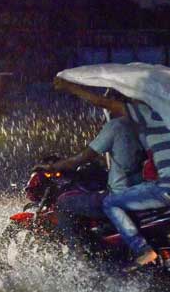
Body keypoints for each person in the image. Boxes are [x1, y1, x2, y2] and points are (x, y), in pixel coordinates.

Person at [53, 76, 170, 268]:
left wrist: (70, 87)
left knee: (87, 202)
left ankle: (100, 258)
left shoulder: (141, 117)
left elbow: (83, 156)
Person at [38, 84, 144, 251]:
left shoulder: (117, 126)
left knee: (64, 203)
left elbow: (82, 158)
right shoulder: (147, 125)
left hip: (122, 194)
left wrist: (54, 166)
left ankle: (82, 257)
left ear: (113, 105)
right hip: (147, 192)